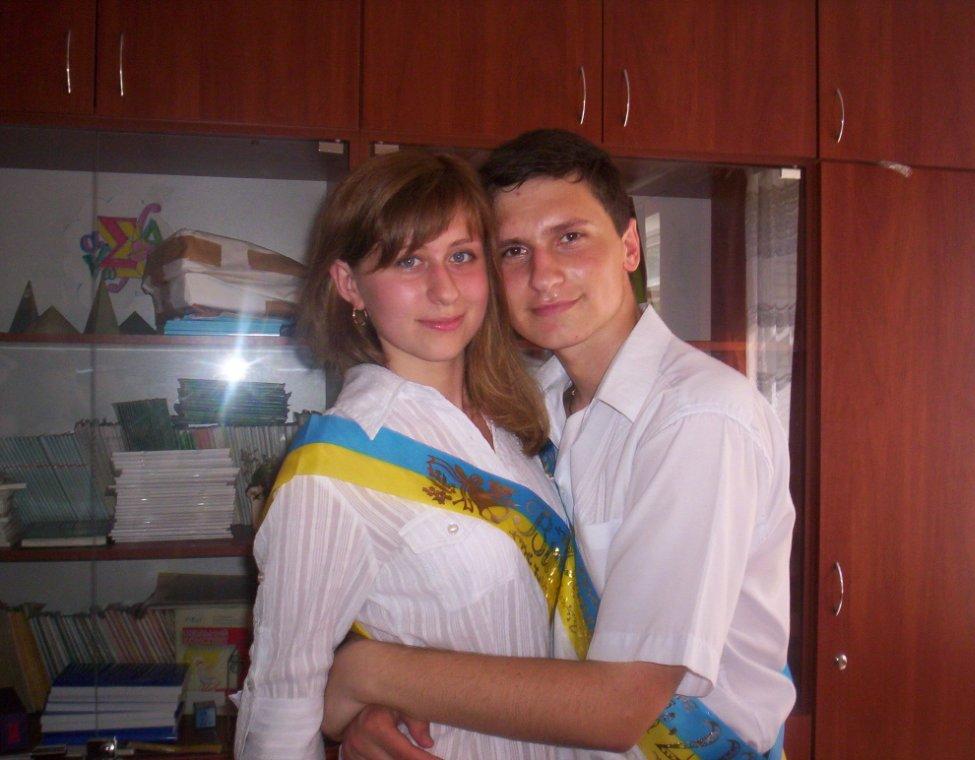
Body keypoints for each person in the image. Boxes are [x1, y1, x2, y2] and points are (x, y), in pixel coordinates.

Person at [322, 130, 796, 759]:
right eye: (513, 250)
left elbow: (618, 709)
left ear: (630, 246)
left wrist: (364, 674)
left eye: (570, 237)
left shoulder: (698, 418)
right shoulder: (528, 406)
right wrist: (378, 708)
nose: (543, 276)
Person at [232, 150, 569, 759]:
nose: (444, 290)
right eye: (409, 261)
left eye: (462, 256)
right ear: (349, 285)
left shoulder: (519, 424)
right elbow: (281, 706)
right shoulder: (335, 468)